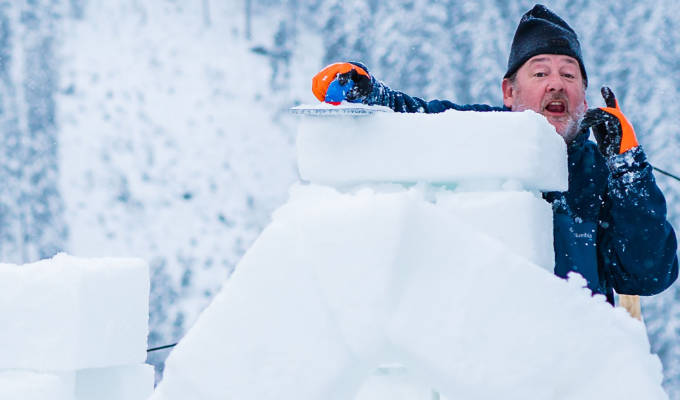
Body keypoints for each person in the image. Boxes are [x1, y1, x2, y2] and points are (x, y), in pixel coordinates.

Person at [310, 4, 678, 305]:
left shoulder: (600, 173)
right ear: (509, 92)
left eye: (569, 75)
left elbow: (648, 273)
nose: (556, 83)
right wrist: (367, 91)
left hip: (577, 371)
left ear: (584, 96)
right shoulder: (481, 135)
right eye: (540, 73)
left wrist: (628, 166)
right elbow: (415, 116)